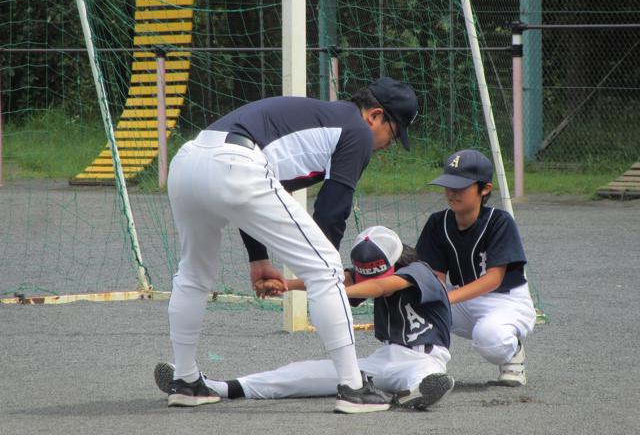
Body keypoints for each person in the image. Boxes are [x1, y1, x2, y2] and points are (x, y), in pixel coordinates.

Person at [163, 77, 418, 413]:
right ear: (375, 115)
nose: (388, 144)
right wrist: (325, 273)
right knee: (325, 267)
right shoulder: (356, 130)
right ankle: (354, 388)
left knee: (194, 274)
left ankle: (185, 381)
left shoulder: (322, 118)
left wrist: (259, 259)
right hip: (236, 163)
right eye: (394, 133)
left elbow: (263, 189)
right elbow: (332, 210)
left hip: (188, 161)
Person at [155, 226, 454, 412]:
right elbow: (335, 280)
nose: (366, 277)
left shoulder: (419, 271)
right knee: (302, 373)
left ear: (394, 260)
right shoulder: (366, 273)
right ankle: (217, 387)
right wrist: (287, 285)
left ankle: (417, 392)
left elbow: (380, 286)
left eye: (375, 271)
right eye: (363, 272)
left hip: (426, 358)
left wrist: (335, 291)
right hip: (384, 359)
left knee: (429, 378)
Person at [416, 149, 536, 386]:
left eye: (460, 186)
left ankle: (513, 352)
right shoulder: (438, 223)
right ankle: (425, 369)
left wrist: (445, 299)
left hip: (505, 301)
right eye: (448, 185)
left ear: (485, 189)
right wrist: (434, 299)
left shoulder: (499, 221)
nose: (452, 192)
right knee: (419, 310)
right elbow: (434, 276)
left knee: (490, 338)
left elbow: (493, 279)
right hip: (462, 298)